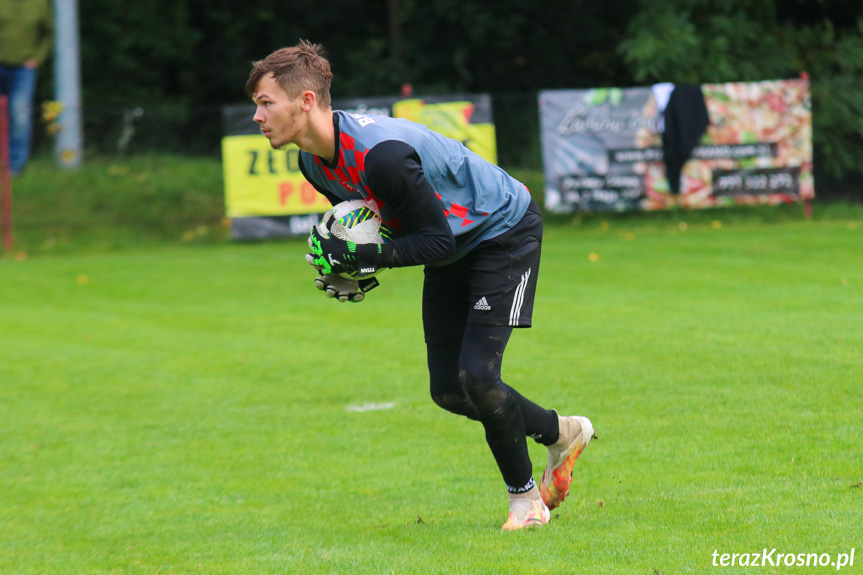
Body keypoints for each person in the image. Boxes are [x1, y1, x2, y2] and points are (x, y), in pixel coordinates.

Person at [245, 40, 595, 531]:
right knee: (449, 391)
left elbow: (429, 241)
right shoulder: (311, 162)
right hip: (452, 243)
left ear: (305, 102)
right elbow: (380, 227)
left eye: (265, 103)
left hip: (502, 230)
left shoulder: (381, 156)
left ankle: (527, 503)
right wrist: (348, 266)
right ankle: (562, 431)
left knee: (477, 376)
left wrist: (371, 258)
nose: (257, 117)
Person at [0, 0, 53, 176]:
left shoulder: (40, 3)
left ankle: (15, 167)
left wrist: (37, 57)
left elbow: (48, 34)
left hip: (24, 67)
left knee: (20, 112)